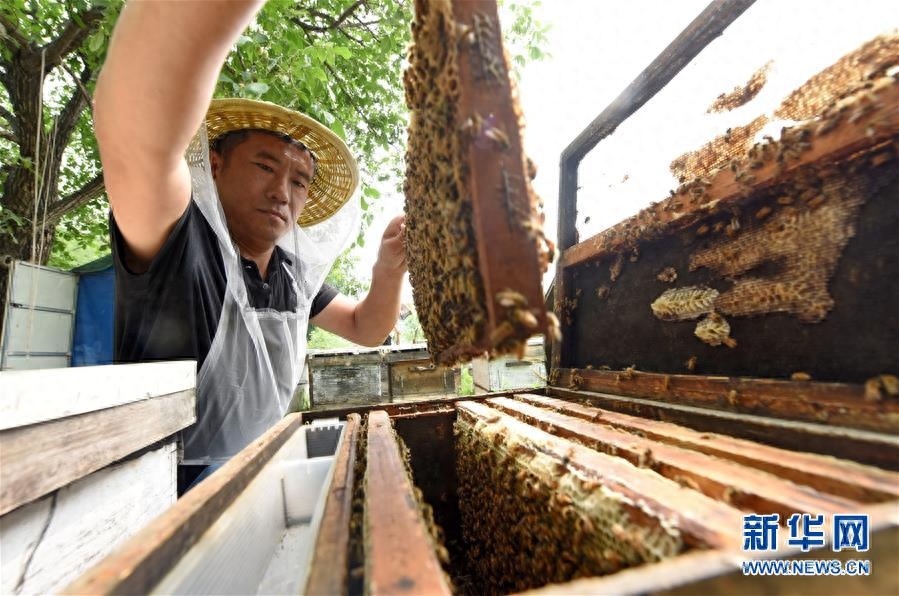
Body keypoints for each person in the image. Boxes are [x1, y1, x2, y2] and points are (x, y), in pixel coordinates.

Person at [93, 1, 406, 492]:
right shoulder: (180, 239)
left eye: (299, 181)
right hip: (154, 499)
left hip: (259, 480)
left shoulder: (291, 274)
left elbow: (366, 327)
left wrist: (389, 268)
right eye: (265, 166)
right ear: (215, 166)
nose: (283, 191)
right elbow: (134, 138)